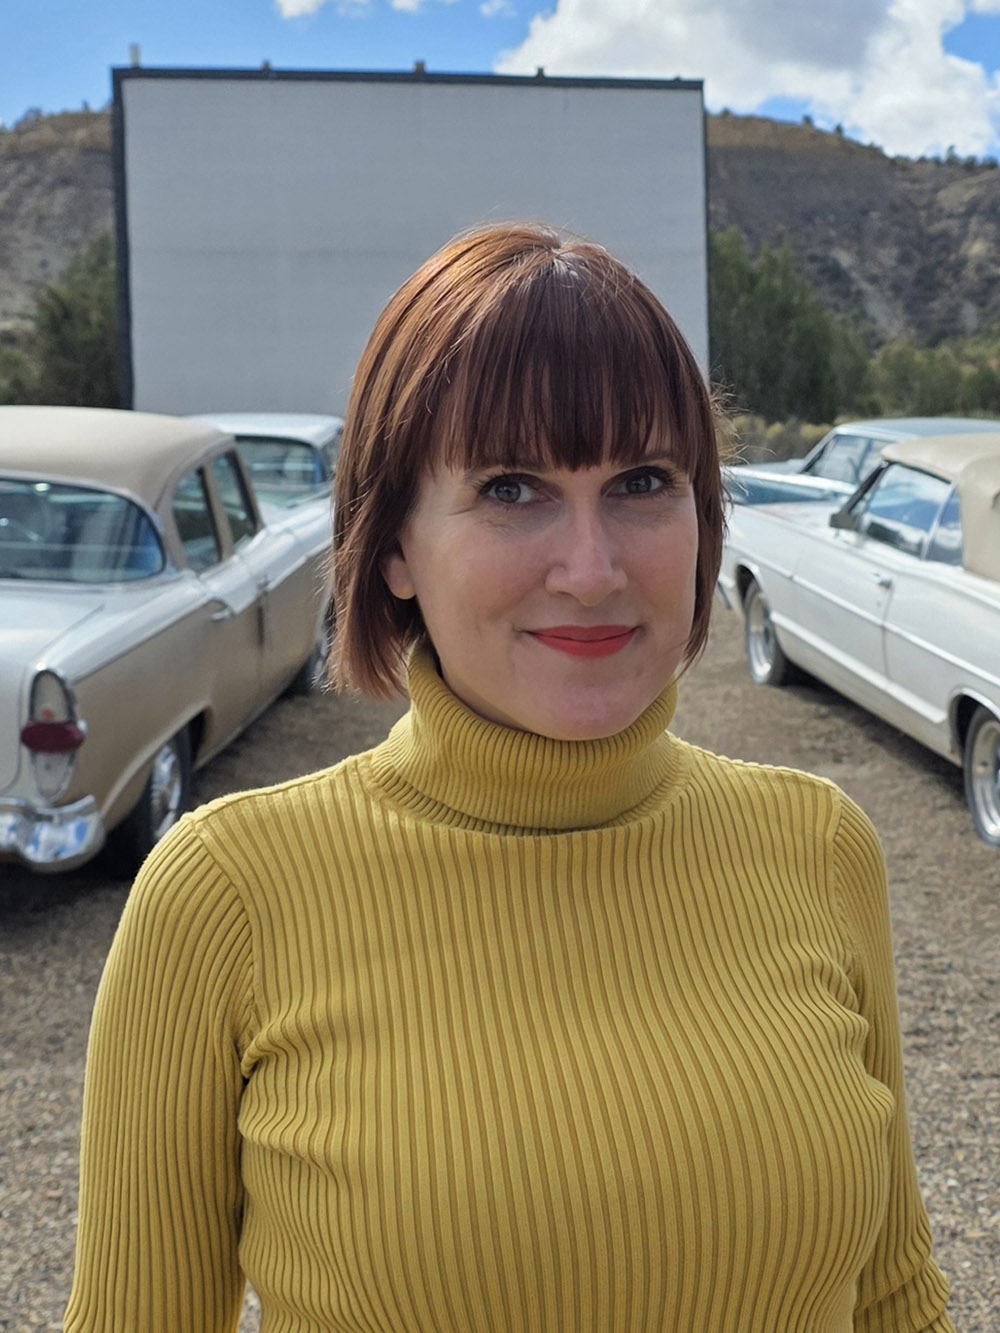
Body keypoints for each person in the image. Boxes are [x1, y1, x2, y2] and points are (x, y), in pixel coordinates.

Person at [65, 222, 953, 1332]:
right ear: (391, 546)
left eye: (640, 480)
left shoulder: (817, 846)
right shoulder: (226, 894)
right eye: (511, 489)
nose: (591, 569)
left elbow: (892, 1295)